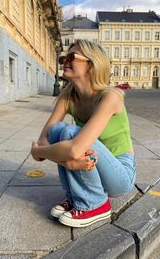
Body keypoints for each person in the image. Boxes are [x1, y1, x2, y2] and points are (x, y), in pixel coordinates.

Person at [31, 39, 136, 228]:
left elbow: (71, 150)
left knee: (72, 134)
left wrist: (42, 153)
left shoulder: (111, 96)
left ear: (92, 65)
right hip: (91, 162)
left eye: (72, 57)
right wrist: (64, 159)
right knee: (57, 131)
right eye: (64, 57)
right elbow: (44, 140)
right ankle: (75, 197)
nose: (65, 61)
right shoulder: (67, 96)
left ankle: (96, 204)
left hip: (120, 174)